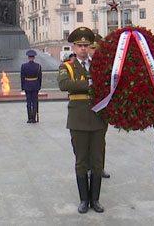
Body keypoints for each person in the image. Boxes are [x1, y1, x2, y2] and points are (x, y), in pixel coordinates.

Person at [58, 27, 107, 214]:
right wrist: (90, 84)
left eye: (86, 46)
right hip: (78, 120)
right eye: (80, 46)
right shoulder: (67, 67)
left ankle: (95, 199)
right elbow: (64, 85)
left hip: (98, 119)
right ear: (74, 47)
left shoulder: (100, 66)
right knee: (81, 162)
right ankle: (83, 200)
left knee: (96, 161)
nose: (84, 49)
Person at [88, 34, 111, 179]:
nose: (95, 51)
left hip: (102, 109)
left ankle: (99, 167)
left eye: (97, 49)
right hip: (86, 109)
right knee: (86, 141)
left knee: (100, 139)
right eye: (92, 48)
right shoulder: (83, 65)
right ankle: (89, 167)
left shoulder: (106, 66)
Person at [21, 49, 42, 123]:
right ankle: (34, 118)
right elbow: (40, 78)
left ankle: (29, 118)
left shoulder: (23, 66)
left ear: (28, 57)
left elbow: (22, 77)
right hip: (35, 85)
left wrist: (22, 87)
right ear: (34, 58)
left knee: (29, 102)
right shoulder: (38, 66)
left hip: (27, 85)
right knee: (35, 102)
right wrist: (39, 86)